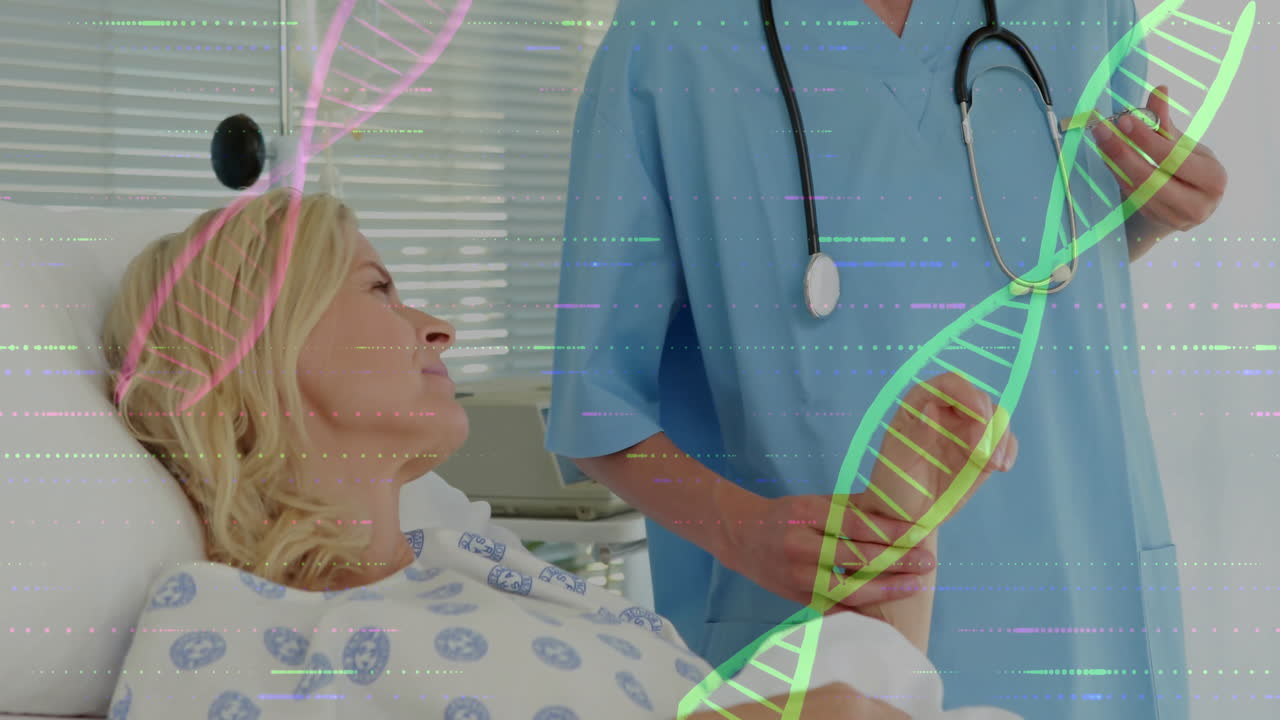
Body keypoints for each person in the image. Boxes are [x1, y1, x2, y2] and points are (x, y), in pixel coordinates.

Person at [544, 1, 1228, 719]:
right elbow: (596, 405)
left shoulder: (1085, 11)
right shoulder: (675, 33)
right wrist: (734, 526)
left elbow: (1034, 283)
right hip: (827, 644)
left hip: (1083, 612)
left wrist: (1147, 218)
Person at [98, 188, 1019, 719]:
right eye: (380, 287)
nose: (438, 328)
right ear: (262, 343)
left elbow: (871, 688)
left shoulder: (484, 569)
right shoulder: (218, 621)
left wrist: (897, 515)